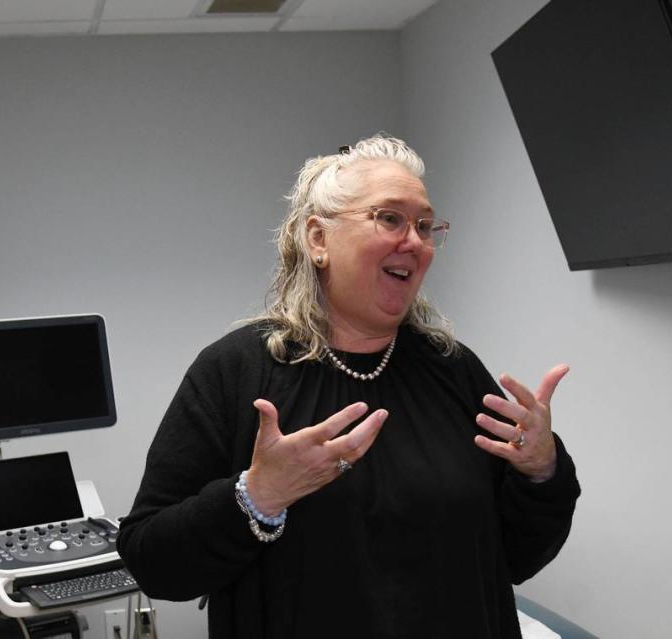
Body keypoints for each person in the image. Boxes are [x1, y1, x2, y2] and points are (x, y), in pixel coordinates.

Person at [117, 134, 581, 639]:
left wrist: (541, 472)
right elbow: (152, 561)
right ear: (318, 239)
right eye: (390, 218)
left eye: (425, 226)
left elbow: (512, 556)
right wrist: (258, 496)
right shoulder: (234, 372)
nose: (415, 241)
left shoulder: (454, 370)